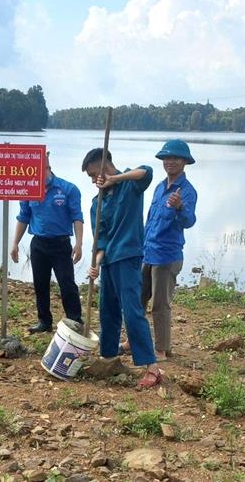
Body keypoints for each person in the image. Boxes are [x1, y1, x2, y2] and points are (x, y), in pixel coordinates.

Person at [82, 147, 163, 388]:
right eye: (90, 177)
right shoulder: (98, 202)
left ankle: (151, 366)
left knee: (132, 311)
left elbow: (146, 172)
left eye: (94, 174)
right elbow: (102, 241)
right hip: (108, 261)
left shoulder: (130, 184)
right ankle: (108, 356)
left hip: (128, 256)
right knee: (107, 310)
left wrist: (114, 179)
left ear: (106, 165)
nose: (94, 180)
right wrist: (95, 264)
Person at [132, 139, 197, 361]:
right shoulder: (159, 187)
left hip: (167, 256)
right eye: (166, 158)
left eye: (175, 158)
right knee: (138, 299)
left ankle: (161, 349)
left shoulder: (187, 191)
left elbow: (189, 221)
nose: (170, 161)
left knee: (160, 304)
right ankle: (134, 339)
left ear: (184, 162)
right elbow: (150, 220)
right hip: (148, 251)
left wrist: (180, 207)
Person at [11, 152, 84, 333]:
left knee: (67, 283)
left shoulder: (68, 189)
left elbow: (77, 217)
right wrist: (14, 243)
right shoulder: (28, 190)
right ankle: (44, 322)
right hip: (38, 244)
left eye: (39, 171)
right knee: (40, 284)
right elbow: (23, 217)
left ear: (48, 168)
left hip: (61, 244)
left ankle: (75, 321)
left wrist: (79, 244)